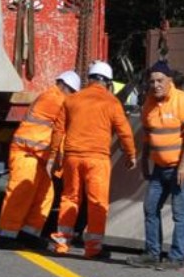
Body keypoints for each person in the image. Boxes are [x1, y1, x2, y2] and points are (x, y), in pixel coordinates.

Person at [49, 60, 137, 259]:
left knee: (70, 197)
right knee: (97, 202)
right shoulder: (111, 102)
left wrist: (54, 156)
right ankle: (93, 248)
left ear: (89, 79)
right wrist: (130, 154)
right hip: (97, 159)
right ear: (107, 82)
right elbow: (125, 132)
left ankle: (61, 243)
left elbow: (58, 130)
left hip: (72, 156)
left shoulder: (72, 100)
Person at [128, 60, 184, 268]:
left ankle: (177, 258)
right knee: (150, 208)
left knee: (180, 213)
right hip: (160, 168)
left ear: (170, 80)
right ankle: (153, 252)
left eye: (160, 80)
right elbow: (147, 135)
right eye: (152, 81)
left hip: (181, 168)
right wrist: (144, 162)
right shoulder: (149, 103)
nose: (156, 85)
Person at [0, 70, 80, 248]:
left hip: (40, 156)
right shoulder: (54, 98)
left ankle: (28, 234)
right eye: (73, 93)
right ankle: (6, 235)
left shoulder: (55, 97)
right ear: (66, 88)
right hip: (27, 152)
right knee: (21, 193)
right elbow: (72, 115)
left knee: (45, 195)